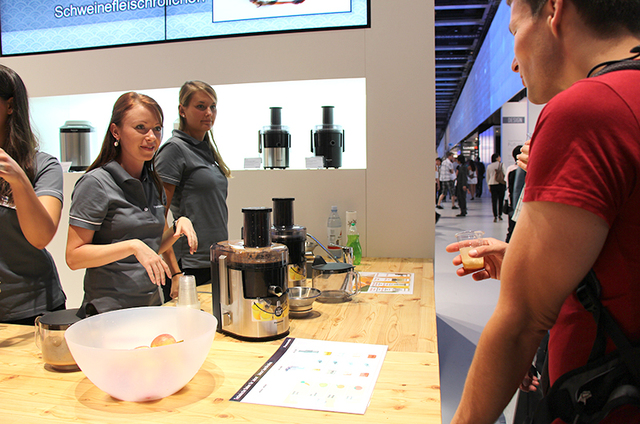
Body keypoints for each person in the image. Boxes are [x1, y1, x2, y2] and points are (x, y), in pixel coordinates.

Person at [446, 0, 640, 422]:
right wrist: (525, 262)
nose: (514, 64)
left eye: (515, 30)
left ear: (554, 10)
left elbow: (522, 322)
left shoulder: (589, 109)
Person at [66, 92, 197, 316]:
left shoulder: (153, 183)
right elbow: (74, 257)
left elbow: (151, 248)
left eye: (157, 128)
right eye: (140, 128)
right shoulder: (96, 183)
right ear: (116, 131)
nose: (152, 137)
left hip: (151, 308)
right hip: (108, 314)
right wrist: (132, 246)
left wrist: (177, 227)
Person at [0, 65, 66, 325]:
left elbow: (40, 237)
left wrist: (19, 180)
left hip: (31, 307)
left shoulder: (43, 166)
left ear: (10, 106)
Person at [155, 81, 231, 297]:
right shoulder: (174, 150)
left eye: (213, 107)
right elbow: (157, 217)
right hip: (188, 265)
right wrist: (175, 272)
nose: (209, 113)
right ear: (182, 110)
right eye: (200, 106)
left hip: (214, 260)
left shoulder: (206, 150)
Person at [505, 145, 524, 242]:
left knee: (511, 230)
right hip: (518, 205)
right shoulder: (519, 170)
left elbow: (508, 187)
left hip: (512, 203)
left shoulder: (510, 169)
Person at [486, 153, 506, 222]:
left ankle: (495, 216)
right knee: (501, 200)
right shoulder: (501, 165)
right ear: (497, 158)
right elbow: (505, 174)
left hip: (492, 184)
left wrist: (489, 186)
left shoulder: (489, 166)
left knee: (494, 201)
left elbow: (488, 177)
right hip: (500, 184)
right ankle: (500, 214)